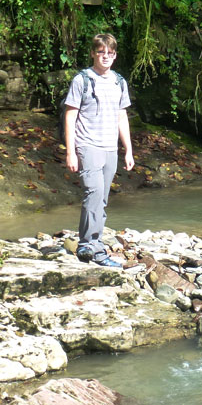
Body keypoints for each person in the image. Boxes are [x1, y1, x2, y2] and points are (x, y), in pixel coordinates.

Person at [63, 33, 134, 267]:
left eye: (110, 53)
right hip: (87, 145)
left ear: (115, 56)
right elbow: (71, 115)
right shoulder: (82, 80)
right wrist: (71, 152)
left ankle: (91, 243)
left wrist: (128, 150)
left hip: (109, 148)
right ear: (93, 53)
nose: (106, 57)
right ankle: (90, 245)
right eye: (101, 52)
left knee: (101, 199)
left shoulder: (119, 82)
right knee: (92, 193)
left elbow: (122, 116)